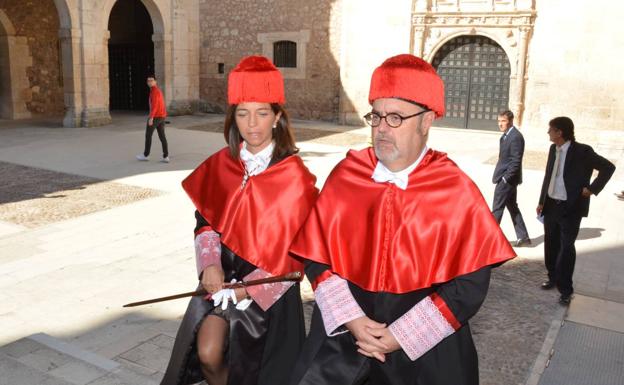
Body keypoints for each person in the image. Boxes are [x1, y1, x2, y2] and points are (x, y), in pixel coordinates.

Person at [287, 54, 516, 385]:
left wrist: (401, 335)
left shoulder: (454, 189)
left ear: (426, 121)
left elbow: (469, 287)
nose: (381, 129)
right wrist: (352, 318)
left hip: (425, 354)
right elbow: (316, 258)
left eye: (395, 118)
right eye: (376, 116)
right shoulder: (347, 176)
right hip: (344, 341)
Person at [160, 56, 318, 385]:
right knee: (207, 352)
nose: (252, 124)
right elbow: (204, 220)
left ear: (277, 117)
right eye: (243, 113)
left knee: (259, 373)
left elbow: (296, 257)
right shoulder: (222, 163)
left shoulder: (295, 177)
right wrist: (210, 266)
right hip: (221, 281)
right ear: (233, 118)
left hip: (268, 291)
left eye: (262, 113)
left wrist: (248, 290)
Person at [537, 116, 615, 305]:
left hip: (570, 207)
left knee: (566, 248)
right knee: (551, 243)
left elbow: (608, 167)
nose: (548, 132)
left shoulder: (582, 151)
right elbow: (549, 176)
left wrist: (591, 189)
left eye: (551, 129)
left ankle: (566, 289)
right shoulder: (552, 149)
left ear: (560, 132)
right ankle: (553, 277)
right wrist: (542, 201)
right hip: (551, 205)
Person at [491, 110, 531, 247]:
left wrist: (506, 179)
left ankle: (490, 240)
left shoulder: (515, 137)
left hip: (507, 180)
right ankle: (523, 237)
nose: (500, 124)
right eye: (499, 121)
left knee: (497, 208)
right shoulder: (505, 136)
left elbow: (516, 161)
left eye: (503, 121)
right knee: (513, 207)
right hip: (507, 179)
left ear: (511, 121)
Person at [136, 76, 169, 163]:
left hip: (156, 117)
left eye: (152, 80)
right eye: (148, 81)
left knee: (148, 136)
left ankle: (146, 155)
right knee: (162, 136)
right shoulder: (157, 91)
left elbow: (155, 106)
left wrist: (151, 118)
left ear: (155, 82)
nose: (150, 82)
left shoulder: (155, 92)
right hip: (161, 117)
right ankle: (166, 156)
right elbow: (161, 104)